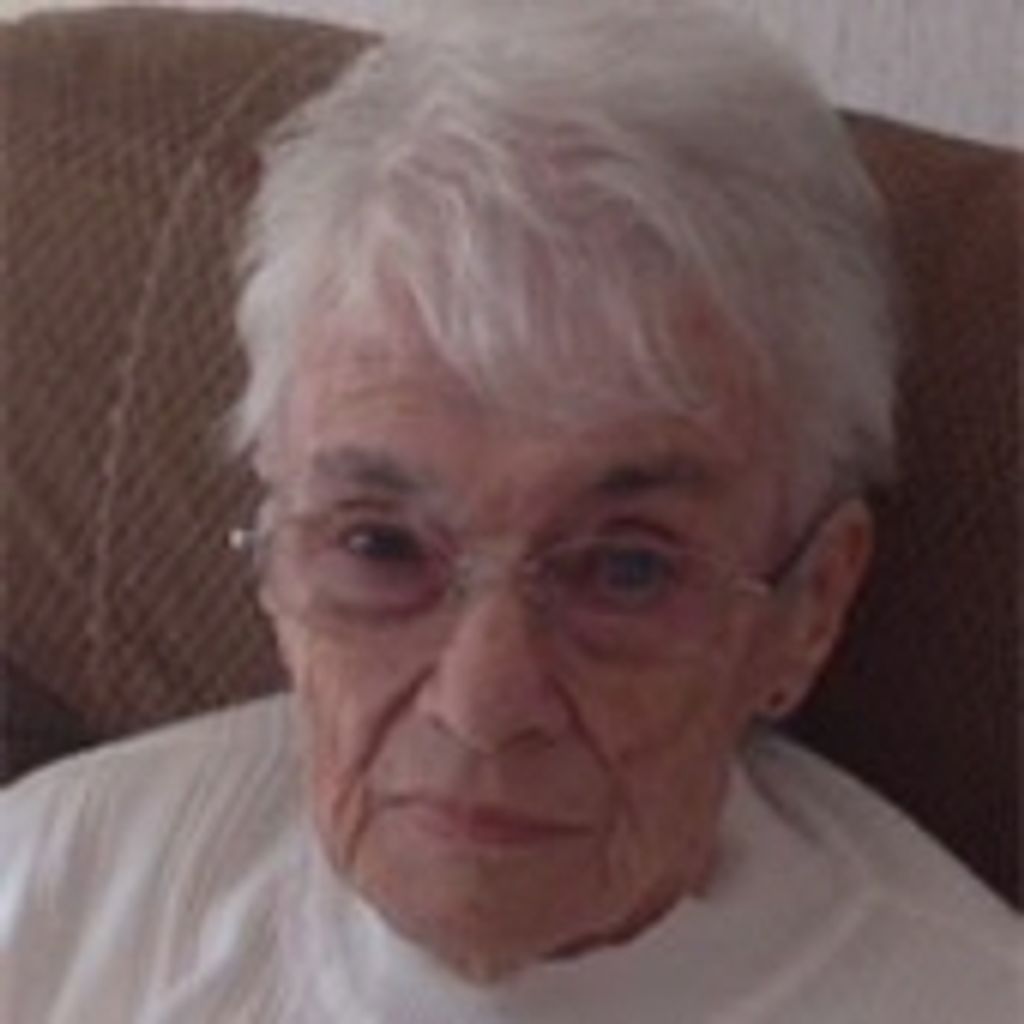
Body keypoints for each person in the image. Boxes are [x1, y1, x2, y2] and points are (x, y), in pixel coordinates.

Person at [1, 4, 1019, 1022]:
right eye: (379, 545)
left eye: (626, 569)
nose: (481, 705)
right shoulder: (53, 891)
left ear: (811, 607)